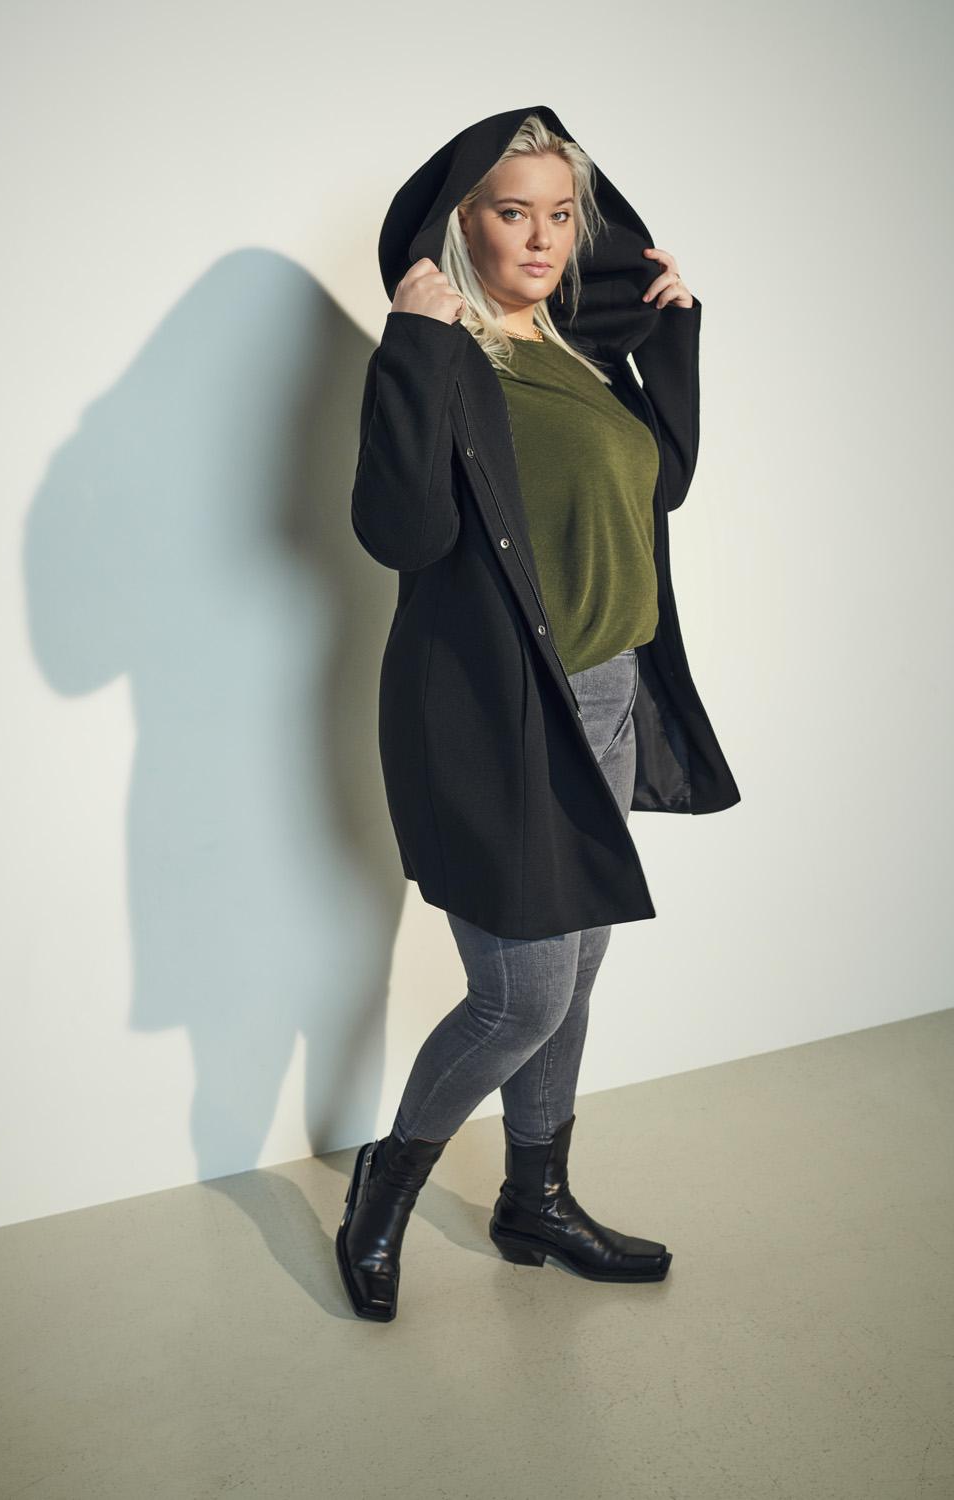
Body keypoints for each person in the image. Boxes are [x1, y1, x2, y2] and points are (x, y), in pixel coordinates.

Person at [336, 107, 740, 1322]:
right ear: (461, 221)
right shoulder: (445, 354)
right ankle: (384, 1188)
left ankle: (536, 1200)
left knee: (579, 970)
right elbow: (401, 533)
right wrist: (412, 347)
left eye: (561, 214)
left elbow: (662, 481)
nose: (542, 237)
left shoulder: (572, 346)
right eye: (513, 211)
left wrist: (671, 332)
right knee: (522, 996)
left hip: (610, 695)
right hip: (497, 711)